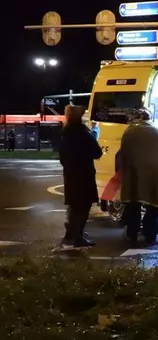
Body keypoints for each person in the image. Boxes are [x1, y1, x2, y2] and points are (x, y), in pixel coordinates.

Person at [120, 108, 158, 244]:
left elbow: (124, 154)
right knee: (154, 202)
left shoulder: (131, 131)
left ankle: (132, 232)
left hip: (137, 171)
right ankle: (150, 232)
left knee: (134, 200)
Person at [59, 105, 102, 247]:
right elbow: (97, 152)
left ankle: (70, 234)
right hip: (84, 174)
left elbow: (62, 156)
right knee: (84, 205)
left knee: (74, 204)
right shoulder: (83, 133)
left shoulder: (66, 132)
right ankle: (78, 237)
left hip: (71, 175)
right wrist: (94, 134)